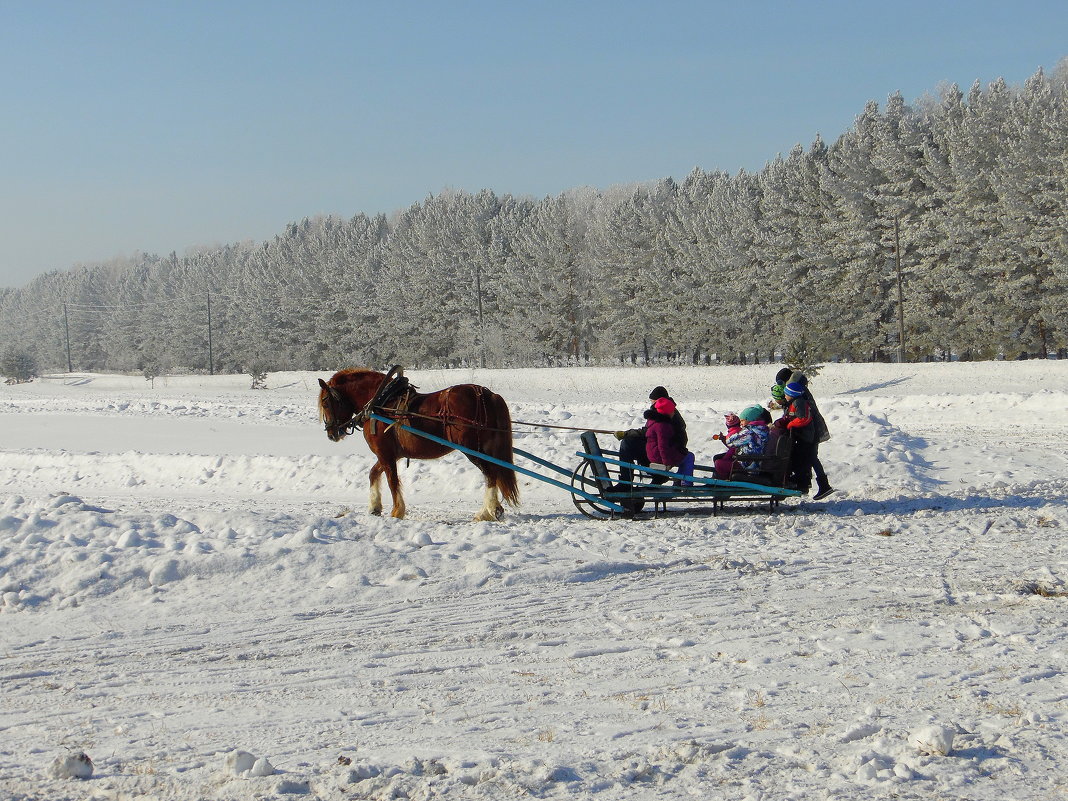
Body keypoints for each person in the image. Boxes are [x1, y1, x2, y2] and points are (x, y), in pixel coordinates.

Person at [772, 368, 833, 500]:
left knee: (810, 457)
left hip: (810, 431)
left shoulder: (797, 393)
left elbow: (802, 415)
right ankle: (807, 482)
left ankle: (818, 485)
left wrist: (790, 423)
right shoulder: (800, 388)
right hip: (810, 429)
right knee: (809, 457)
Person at [614, 386, 690, 487]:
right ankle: (655, 476)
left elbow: (648, 433)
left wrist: (626, 434)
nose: (651, 403)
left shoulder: (662, 412)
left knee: (627, 444)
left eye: (652, 401)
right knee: (640, 445)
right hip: (670, 448)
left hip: (669, 450)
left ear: (659, 401)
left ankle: (626, 481)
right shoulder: (669, 410)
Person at [713, 405, 771, 479]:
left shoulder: (749, 432)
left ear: (750, 419)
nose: (740, 423)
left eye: (742, 420)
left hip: (748, 465)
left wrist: (728, 436)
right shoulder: (763, 429)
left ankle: (724, 484)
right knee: (721, 459)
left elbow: (730, 442)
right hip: (755, 462)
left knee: (719, 464)